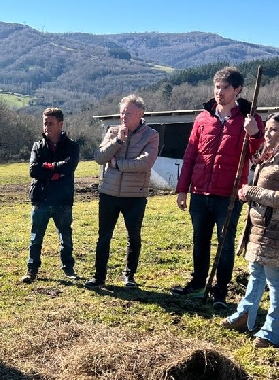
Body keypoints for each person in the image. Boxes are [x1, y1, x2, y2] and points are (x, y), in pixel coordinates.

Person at [172, 66, 264, 308]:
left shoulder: (249, 120)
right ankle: (198, 283)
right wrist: (183, 189)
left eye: (225, 88)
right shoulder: (203, 118)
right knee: (199, 239)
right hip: (200, 192)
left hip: (228, 194)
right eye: (217, 87)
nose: (219, 92)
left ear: (238, 90)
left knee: (225, 243)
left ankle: (220, 291)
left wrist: (254, 134)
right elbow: (191, 154)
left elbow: (258, 156)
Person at [84, 94, 159, 289]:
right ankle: (99, 276)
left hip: (135, 196)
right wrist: (117, 141)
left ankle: (129, 276)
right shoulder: (113, 131)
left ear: (140, 113)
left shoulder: (151, 135)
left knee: (133, 237)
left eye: (129, 112)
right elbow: (99, 157)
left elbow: (145, 162)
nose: (124, 116)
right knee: (104, 236)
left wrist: (117, 164)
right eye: (122, 112)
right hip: (109, 193)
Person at [221, 112, 279, 348]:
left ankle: (272, 331)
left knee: (276, 283)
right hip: (258, 228)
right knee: (256, 273)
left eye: (274, 130)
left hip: (275, 231)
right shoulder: (267, 155)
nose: (269, 133)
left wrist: (253, 192)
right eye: (268, 129)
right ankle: (245, 316)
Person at [21, 107, 80, 283]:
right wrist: (56, 169)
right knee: (35, 237)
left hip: (63, 199)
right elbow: (33, 171)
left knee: (65, 237)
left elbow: (69, 168)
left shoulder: (72, 147)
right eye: (45, 123)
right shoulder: (37, 146)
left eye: (50, 123)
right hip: (41, 198)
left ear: (60, 124)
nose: (46, 127)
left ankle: (69, 269)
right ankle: (32, 269)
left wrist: (46, 167)